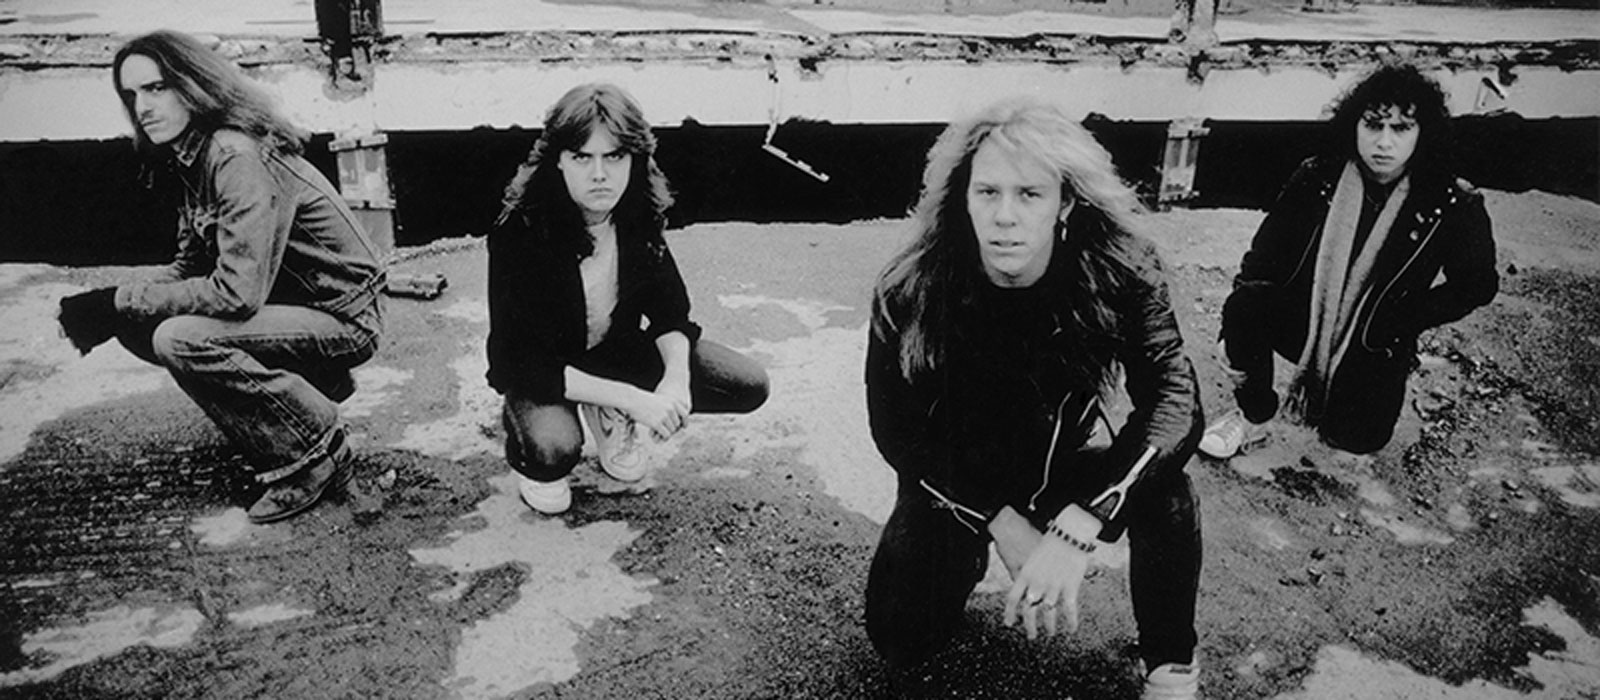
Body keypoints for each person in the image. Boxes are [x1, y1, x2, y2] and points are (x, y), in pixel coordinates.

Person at [863, 97, 1205, 700]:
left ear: (1065, 203)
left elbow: (1175, 398)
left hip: (1061, 463)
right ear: (963, 198)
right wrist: (999, 520)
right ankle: (964, 555)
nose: (1005, 216)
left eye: (1029, 195)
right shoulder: (911, 284)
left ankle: (1170, 662)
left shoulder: (1121, 267)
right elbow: (896, 429)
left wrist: (1087, 518)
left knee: (1168, 491)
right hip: (958, 473)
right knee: (901, 638)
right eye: (987, 193)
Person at [55, 30, 387, 524]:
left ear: (194, 85)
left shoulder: (235, 155)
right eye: (132, 94)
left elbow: (236, 294)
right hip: (291, 305)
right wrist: (112, 303)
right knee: (138, 322)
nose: (142, 108)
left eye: (157, 88)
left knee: (180, 338)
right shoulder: (191, 155)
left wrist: (123, 299)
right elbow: (190, 266)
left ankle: (313, 454)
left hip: (343, 317)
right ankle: (302, 397)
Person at [486, 83, 769, 515]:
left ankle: (606, 407)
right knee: (552, 451)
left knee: (746, 384)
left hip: (612, 352)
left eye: (614, 156)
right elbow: (520, 361)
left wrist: (675, 381)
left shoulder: (636, 212)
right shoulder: (520, 231)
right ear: (558, 159)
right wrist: (638, 401)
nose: (600, 174)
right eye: (582, 157)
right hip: (543, 370)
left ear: (635, 158)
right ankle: (532, 435)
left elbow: (669, 312)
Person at [1200, 63, 1498, 459]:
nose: (1384, 143)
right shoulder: (1318, 177)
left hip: (1373, 337)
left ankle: (1357, 386)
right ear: (1354, 125)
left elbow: (1477, 284)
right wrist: (1238, 333)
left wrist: (1403, 319)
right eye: (1373, 125)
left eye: (1401, 128)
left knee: (1355, 439)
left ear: (1422, 132)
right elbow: (1265, 254)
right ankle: (1253, 415)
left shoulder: (1451, 201)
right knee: (1246, 304)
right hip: (1306, 315)